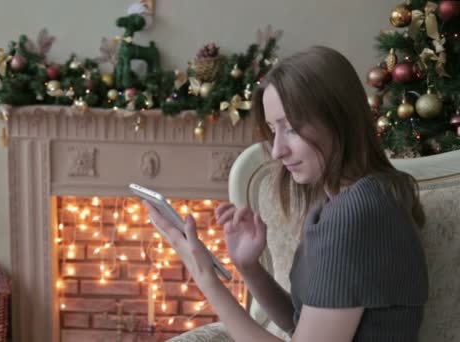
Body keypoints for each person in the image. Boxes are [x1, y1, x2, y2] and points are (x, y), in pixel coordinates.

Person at [143, 46, 429, 342]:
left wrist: (205, 277)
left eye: (290, 128)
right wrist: (249, 267)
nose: (278, 150)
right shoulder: (339, 202)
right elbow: (301, 323)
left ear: (338, 120)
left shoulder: (356, 213)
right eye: (272, 129)